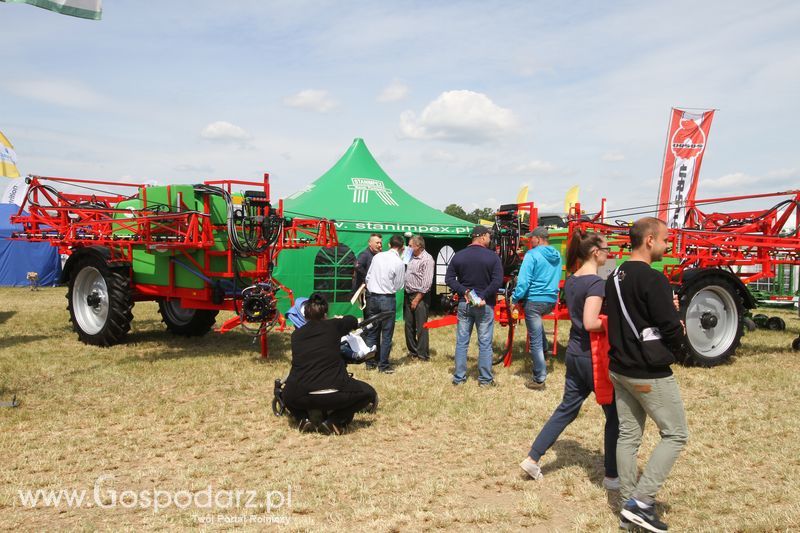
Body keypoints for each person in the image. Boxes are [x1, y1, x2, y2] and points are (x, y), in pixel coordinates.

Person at [520, 229, 619, 491]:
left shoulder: (573, 280)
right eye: (606, 249)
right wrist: (614, 323)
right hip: (593, 357)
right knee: (614, 414)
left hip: (574, 355)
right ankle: (612, 476)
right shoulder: (596, 283)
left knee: (567, 409)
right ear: (595, 252)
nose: (608, 254)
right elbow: (590, 322)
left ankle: (533, 458)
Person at [605, 217, 687, 533]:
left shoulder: (613, 276)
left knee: (628, 437)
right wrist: (679, 332)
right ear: (649, 240)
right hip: (647, 371)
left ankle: (629, 508)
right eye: (666, 240)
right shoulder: (654, 280)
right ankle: (640, 502)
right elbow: (669, 327)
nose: (668, 246)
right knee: (676, 433)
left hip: (620, 368)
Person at [282, 293, 377, 435]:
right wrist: (338, 320)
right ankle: (335, 421)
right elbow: (351, 320)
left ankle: (302, 419)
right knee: (368, 393)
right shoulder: (334, 326)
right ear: (325, 313)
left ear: (305, 315)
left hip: (302, 394)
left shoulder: (296, 336)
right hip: (334, 392)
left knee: (286, 394)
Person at [445, 225, 504, 386]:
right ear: (483, 236)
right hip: (485, 306)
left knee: (462, 342)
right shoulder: (493, 257)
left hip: (465, 304)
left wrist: (464, 291)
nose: (490, 240)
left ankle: (459, 378)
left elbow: (449, 279)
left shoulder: (459, 256)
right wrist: (483, 296)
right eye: (489, 237)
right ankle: (485, 380)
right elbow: (497, 281)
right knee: (485, 343)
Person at [511, 226, 562, 390]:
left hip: (534, 300)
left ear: (538, 239)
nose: (530, 240)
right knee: (538, 330)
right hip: (550, 300)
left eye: (531, 238)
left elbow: (524, 281)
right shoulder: (557, 255)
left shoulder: (532, 255)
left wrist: (515, 298)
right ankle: (546, 350)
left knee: (535, 342)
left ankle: (539, 379)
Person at [364, 234, 406, 373]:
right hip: (387, 298)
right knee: (386, 334)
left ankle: (370, 363)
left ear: (389, 244)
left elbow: (368, 276)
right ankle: (383, 365)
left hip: (372, 297)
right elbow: (400, 285)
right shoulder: (399, 262)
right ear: (402, 248)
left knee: (372, 331)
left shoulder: (377, 257)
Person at [404, 235, 435, 361]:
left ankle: (422, 355)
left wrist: (417, 299)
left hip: (420, 296)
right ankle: (413, 351)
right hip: (408, 293)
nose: (408, 247)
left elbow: (427, 284)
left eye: (411, 245)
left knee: (421, 326)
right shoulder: (409, 255)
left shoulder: (427, 260)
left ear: (419, 246)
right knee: (409, 325)